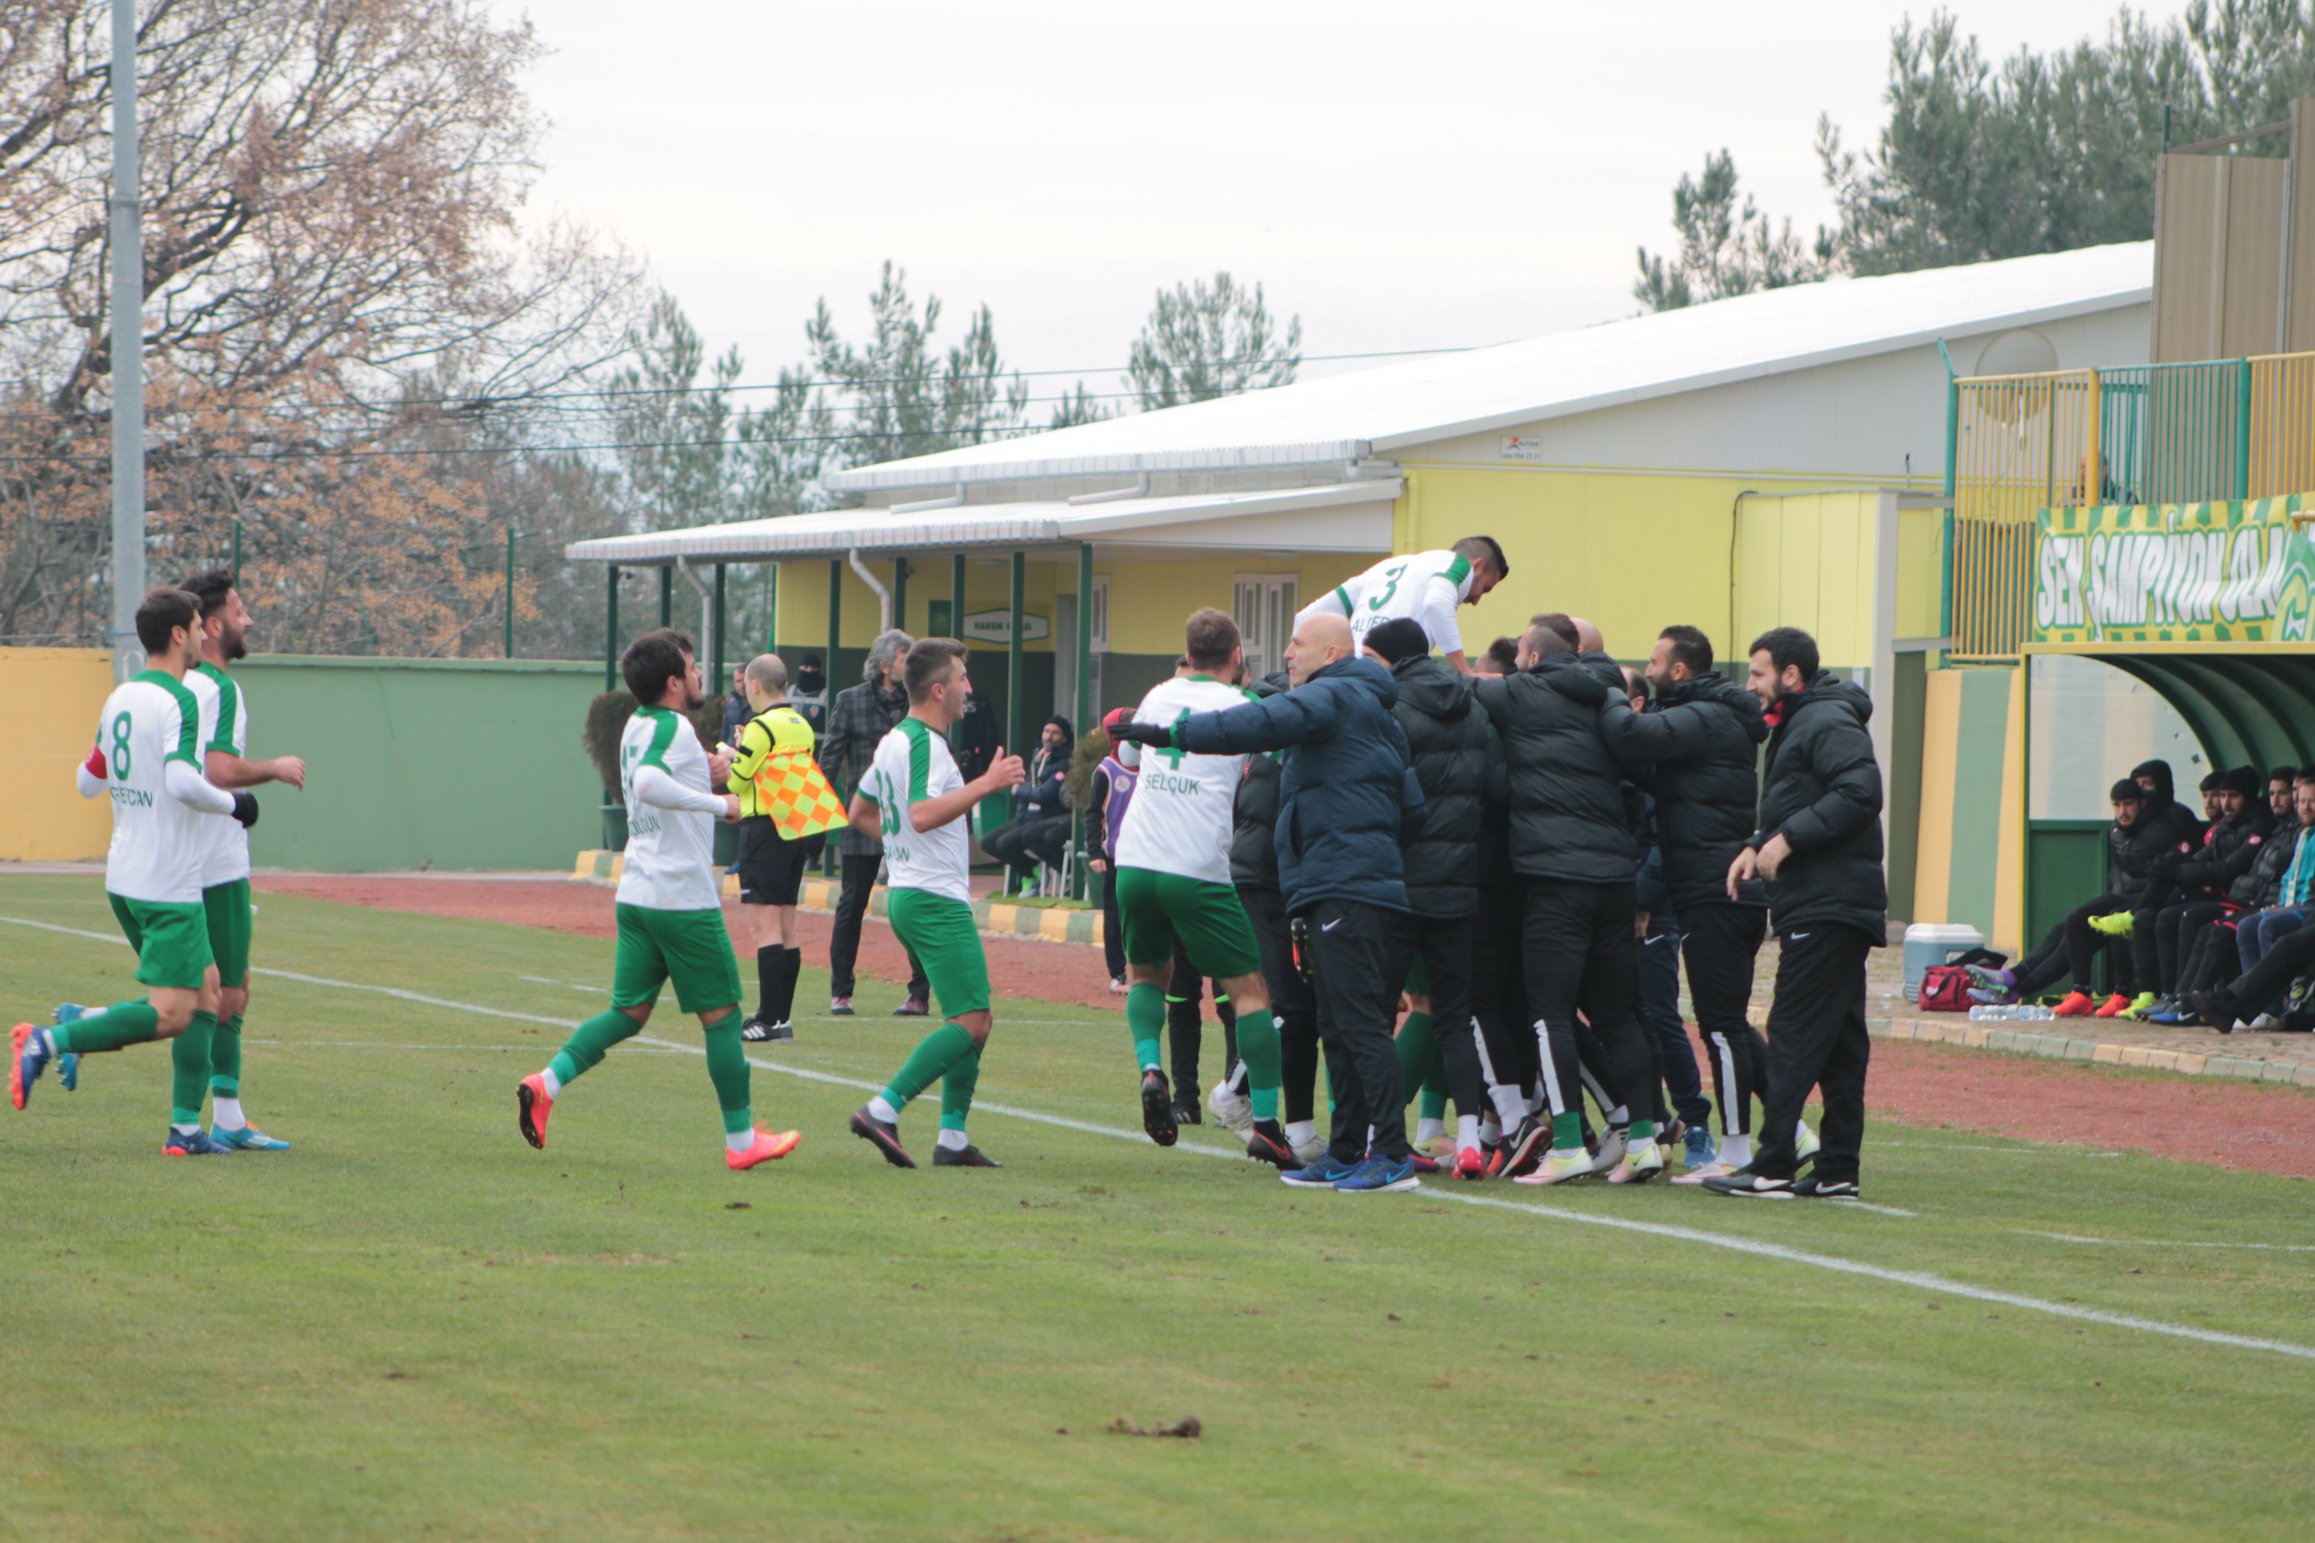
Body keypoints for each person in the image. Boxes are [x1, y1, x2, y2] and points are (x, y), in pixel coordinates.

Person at [1115, 612, 1427, 1193]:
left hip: (1346, 883)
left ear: (1333, 652)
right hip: (1337, 879)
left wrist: (1173, 735)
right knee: (1336, 1023)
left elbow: (1257, 722)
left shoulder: (1334, 695)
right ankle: (1342, 1151)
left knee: (1358, 1024)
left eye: (1297, 643)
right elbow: (1413, 810)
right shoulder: (1369, 709)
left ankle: (1390, 1154)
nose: (1286, 652)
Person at [516, 630, 798, 1171]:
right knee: (722, 1018)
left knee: (629, 1012)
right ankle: (742, 1143)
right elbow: (647, 783)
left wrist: (709, 770)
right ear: (673, 682)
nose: (699, 676)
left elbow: (659, 773)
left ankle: (546, 1083)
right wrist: (719, 805)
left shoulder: (640, 723)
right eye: (692, 668)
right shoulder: (674, 727)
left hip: (638, 892)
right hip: (680, 899)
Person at [13, 588, 259, 1151]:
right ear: (179, 634)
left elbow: (87, 780)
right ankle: (48, 1041)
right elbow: (180, 781)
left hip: (123, 874)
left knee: (209, 993)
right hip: (167, 883)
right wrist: (237, 805)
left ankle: (187, 1130)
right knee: (174, 1013)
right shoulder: (179, 699)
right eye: (198, 625)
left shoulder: (120, 696)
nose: (203, 634)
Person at [1471, 619, 1663, 1186]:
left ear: (1528, 657)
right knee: (1619, 1016)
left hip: (1556, 879)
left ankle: (1570, 1143)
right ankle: (1645, 1140)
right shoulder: (1604, 695)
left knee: (1546, 1012)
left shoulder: (1519, 690)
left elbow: (1458, 687)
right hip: (1614, 877)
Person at [1103, 611, 1295, 1168]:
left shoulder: (1159, 693)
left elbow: (1129, 758)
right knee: (1251, 992)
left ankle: (1150, 1067)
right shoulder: (1246, 706)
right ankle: (1264, 1123)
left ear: (1187, 653)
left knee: (1146, 974)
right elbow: (1281, 759)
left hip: (1136, 859)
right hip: (1196, 866)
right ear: (1237, 654)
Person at [1706, 628, 1883, 1201]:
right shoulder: (1803, 721)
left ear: (1791, 675)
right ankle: (1836, 1170)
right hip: (1829, 900)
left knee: (1792, 1032)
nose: (1750, 683)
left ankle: (1775, 1162)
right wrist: (1758, 843)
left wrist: (1789, 841)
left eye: (1758, 673)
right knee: (1840, 1043)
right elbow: (1799, 802)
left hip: (1828, 903)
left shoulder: (1825, 720)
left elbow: (1860, 792)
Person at [1598, 624, 1772, 1184]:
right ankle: (1792, 1130)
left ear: (1678, 671)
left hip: (1716, 892)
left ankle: (1736, 1150)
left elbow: (1629, 733)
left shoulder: (1706, 717)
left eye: (1652, 663)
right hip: (1713, 889)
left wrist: (1599, 689)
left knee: (1720, 1028)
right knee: (1733, 1028)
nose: (1646, 671)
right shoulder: (1707, 718)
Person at [846, 639, 1025, 1169]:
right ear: (940, 689)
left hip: (910, 892)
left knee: (975, 1017)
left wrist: (901, 852)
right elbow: (922, 814)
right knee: (971, 1020)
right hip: (931, 898)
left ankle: (952, 1139)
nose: (970, 688)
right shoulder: (923, 742)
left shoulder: (893, 740)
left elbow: (859, 811)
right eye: (964, 678)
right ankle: (883, 1108)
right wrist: (985, 785)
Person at [161, 569, 306, 1151]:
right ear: (213, 625)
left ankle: (225, 1117)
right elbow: (220, 770)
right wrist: (274, 768)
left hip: (175, 858)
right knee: (222, 995)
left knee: (209, 992)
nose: (249, 621)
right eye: (241, 612)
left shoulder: (172, 687)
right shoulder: (219, 688)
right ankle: (190, 1121)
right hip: (217, 861)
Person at [1364, 616, 1502, 1182]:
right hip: (1459, 882)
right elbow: (1496, 787)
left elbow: (1383, 790)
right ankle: (1468, 1141)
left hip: (1398, 883)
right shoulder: (1473, 704)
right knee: (1454, 1016)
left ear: (1390, 659)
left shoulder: (1389, 709)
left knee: (1376, 1014)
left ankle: (1377, 1136)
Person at [1967, 779, 2191, 1014]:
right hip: (2121, 896)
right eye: (2117, 805)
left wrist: (2135, 904)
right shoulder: (2117, 831)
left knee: (2088, 931)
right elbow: (2118, 869)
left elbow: (2163, 873)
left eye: (2128, 804)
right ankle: (2014, 980)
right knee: (2069, 926)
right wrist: (2115, 889)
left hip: (2145, 902)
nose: (2123, 811)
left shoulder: (2164, 826)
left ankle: (2015, 989)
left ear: (2141, 803)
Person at [1616, 665, 1716, 1166]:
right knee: (1623, 1016)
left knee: (1658, 1013)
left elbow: (1661, 839)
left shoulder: (1656, 751)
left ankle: (1696, 1122)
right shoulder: (1620, 749)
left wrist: (1643, 902)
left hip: (1653, 907)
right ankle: (1652, 1122)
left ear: (1634, 705)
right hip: (1618, 896)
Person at [820, 630, 931, 1017]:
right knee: (852, 903)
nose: (910, 662)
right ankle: (841, 992)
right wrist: (821, 814)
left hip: (908, 818)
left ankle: (919, 993)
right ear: (885, 665)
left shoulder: (920, 702)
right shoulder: (848, 701)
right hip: (862, 818)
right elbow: (829, 758)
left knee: (914, 902)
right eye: (904, 656)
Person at [2104, 765, 2271, 1019]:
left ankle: (2187, 1001)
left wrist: (2179, 872)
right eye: (2221, 795)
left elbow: (2230, 868)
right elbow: (2200, 857)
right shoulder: (2225, 827)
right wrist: (2171, 867)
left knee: (2191, 920)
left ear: (2248, 796)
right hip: (2223, 896)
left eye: (2232, 796)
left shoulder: (2261, 825)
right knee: (2162, 917)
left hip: (2242, 900)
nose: (2224, 803)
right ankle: (2169, 996)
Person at [727, 654, 820, 1043]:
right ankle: (780, 1018)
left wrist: (733, 753)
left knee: (764, 928)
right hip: (794, 827)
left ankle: (766, 1018)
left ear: (755, 685)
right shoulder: (803, 724)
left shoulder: (760, 727)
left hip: (763, 830)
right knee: (787, 927)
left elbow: (737, 782)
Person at [1294, 537, 1509, 675]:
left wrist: (1300, 678)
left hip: (1344, 671)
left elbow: (1306, 616)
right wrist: (1465, 671)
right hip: (1386, 675)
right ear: (1478, 565)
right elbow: (1437, 603)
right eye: (1485, 588)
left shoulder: (1387, 565)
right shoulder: (1458, 563)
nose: (1476, 600)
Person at [982, 717, 1073, 895]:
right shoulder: (1039, 755)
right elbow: (1032, 788)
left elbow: (1045, 795)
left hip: (1046, 816)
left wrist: (1019, 790)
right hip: (1025, 816)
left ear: (1064, 738)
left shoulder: (1064, 763)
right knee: (988, 842)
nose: (1049, 736)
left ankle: (1033, 877)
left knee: (1006, 843)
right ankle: (1031, 869)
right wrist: (1026, 792)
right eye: (1047, 731)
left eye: (1055, 733)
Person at [1084, 729, 1135, 992]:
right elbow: (1093, 812)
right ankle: (1118, 973)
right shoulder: (1107, 771)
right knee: (1115, 917)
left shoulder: (1153, 767)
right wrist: (1095, 851)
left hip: (1144, 856)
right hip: (1115, 855)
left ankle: (1148, 971)